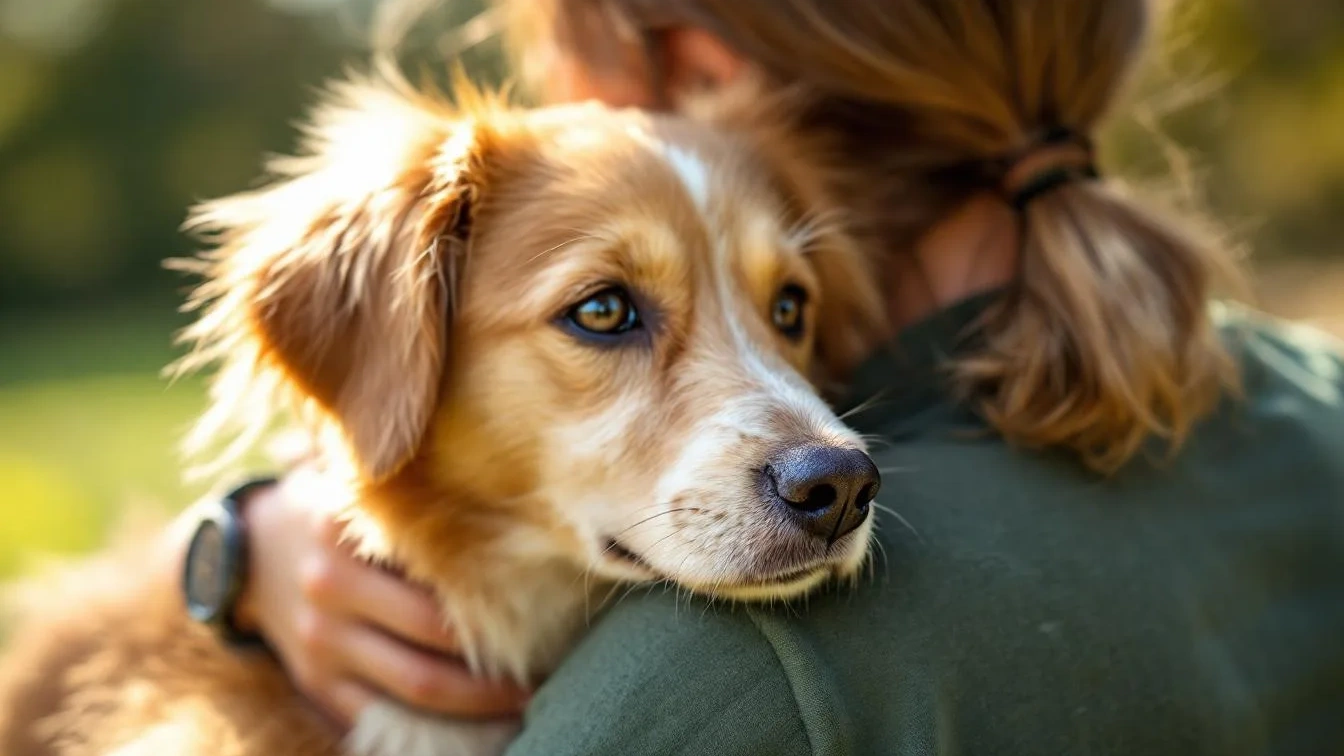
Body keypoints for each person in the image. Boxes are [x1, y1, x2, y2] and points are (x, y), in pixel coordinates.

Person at [174, 0, 1344, 752]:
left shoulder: (715, 697)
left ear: (684, 68)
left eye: (787, 310)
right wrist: (235, 555)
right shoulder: (1309, 400)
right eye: (607, 312)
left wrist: (224, 563)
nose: (821, 446)